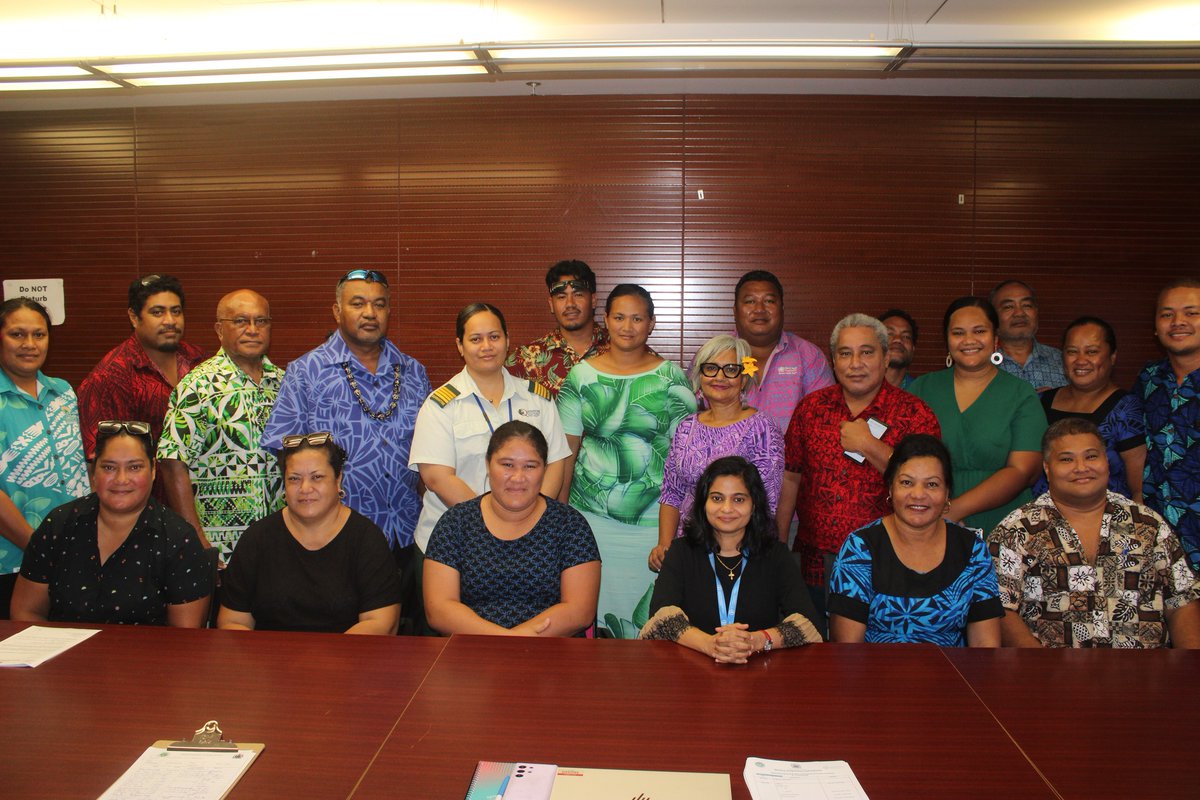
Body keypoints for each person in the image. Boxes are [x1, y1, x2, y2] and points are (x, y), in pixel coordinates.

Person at [261, 269, 430, 626]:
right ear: (337, 312)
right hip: (336, 541)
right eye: (358, 303)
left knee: (406, 653)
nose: (370, 312)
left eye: (379, 304)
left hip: (407, 533)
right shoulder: (306, 372)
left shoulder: (414, 372)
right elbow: (283, 450)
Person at [776, 314, 941, 618]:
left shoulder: (915, 414)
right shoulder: (811, 409)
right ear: (834, 361)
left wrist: (869, 445)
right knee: (815, 655)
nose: (855, 363)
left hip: (888, 562)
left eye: (866, 352)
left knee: (875, 659)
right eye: (845, 353)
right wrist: (778, 547)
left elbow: (926, 484)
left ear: (886, 357)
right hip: (815, 563)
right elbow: (790, 477)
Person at [558, 284, 696, 637]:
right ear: (606, 320)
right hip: (590, 519)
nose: (627, 326)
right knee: (593, 613)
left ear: (651, 323)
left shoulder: (672, 378)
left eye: (637, 318)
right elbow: (566, 453)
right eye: (619, 317)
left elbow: (686, 460)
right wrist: (557, 516)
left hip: (655, 524)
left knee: (651, 620)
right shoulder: (581, 376)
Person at [990, 418, 1200, 648]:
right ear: (1047, 469)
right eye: (1066, 459)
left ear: (1107, 463)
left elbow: (1182, 601)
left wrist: (1189, 673)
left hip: (1145, 676)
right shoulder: (1018, 529)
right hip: (1054, 676)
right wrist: (1038, 667)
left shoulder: (1148, 524)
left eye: (1091, 456)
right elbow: (999, 609)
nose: (1081, 467)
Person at [10, 420, 212, 626]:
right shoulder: (59, 525)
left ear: (152, 471)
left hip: (146, 656)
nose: (121, 479)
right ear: (94, 472)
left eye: (134, 467)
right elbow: (26, 612)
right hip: (64, 656)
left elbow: (184, 637)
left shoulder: (178, 539)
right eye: (109, 467)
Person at [410, 303, 570, 555]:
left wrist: (530, 519)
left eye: (494, 337)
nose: (486, 346)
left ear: (507, 341)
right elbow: (437, 477)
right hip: (457, 541)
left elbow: (556, 463)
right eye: (475, 339)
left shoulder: (537, 399)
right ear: (460, 346)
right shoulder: (440, 406)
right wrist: (490, 523)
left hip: (529, 539)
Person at [424, 422, 600, 636]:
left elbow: (580, 611)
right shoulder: (455, 523)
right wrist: (505, 640)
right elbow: (440, 610)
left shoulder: (570, 525)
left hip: (550, 650)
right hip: (471, 651)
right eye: (507, 465)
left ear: (544, 469)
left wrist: (520, 640)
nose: (518, 477)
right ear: (489, 465)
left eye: (530, 466)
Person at [641, 456, 822, 663]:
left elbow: (808, 623)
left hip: (759, 672)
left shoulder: (776, 554)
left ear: (754, 505)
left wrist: (756, 641)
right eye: (717, 498)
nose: (727, 509)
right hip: (691, 673)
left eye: (738, 499)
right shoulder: (681, 551)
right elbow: (661, 618)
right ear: (703, 503)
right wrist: (711, 645)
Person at [827, 434, 1003, 647]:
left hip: (951, 676)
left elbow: (986, 647)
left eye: (932, 484)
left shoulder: (972, 549)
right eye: (907, 482)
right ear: (891, 488)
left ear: (947, 492)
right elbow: (847, 650)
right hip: (875, 676)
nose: (918, 494)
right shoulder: (860, 548)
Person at [218, 432, 401, 634]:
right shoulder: (257, 539)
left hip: (347, 660)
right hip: (270, 660)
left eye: (317, 477)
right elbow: (232, 622)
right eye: (294, 479)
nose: (305, 488)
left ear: (338, 479)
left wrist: (324, 662)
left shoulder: (367, 539)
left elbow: (381, 623)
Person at [158, 290, 285, 560]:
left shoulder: (285, 385)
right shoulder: (198, 386)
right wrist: (197, 542)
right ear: (219, 329)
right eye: (240, 321)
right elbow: (172, 463)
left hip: (282, 544)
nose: (252, 330)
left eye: (261, 321)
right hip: (221, 547)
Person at [910, 297, 1046, 534]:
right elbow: (903, 460)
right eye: (958, 333)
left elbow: (1023, 471)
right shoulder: (922, 388)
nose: (969, 340)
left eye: (979, 331)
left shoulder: (1020, 393)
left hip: (1005, 525)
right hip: (928, 520)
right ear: (948, 341)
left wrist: (952, 510)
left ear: (995, 339)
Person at [651, 335, 784, 571]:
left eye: (731, 369)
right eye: (711, 368)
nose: (719, 377)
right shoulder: (686, 427)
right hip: (687, 550)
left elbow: (766, 503)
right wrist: (664, 544)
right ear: (700, 376)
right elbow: (672, 492)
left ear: (743, 379)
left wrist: (734, 554)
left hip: (740, 555)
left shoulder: (762, 428)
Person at [77, 274, 206, 500]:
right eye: (157, 312)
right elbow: (104, 464)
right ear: (134, 317)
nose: (170, 320)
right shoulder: (111, 377)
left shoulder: (199, 362)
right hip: (145, 513)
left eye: (176, 311)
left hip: (206, 505)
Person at [0, 298, 90, 611]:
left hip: (72, 557)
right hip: (12, 563)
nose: (30, 344)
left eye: (39, 334)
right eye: (17, 334)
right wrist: (39, 549)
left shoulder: (64, 391)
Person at [1032, 316, 1145, 501]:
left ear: (1112, 356)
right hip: (1042, 520)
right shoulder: (1040, 401)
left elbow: (1139, 489)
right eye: (1072, 351)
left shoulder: (1127, 408)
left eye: (1092, 352)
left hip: (1106, 521)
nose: (1081, 360)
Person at [1135, 277, 1200, 571]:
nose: (1178, 322)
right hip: (1159, 533)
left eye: (1192, 312)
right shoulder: (1148, 379)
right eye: (1167, 314)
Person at [733, 270, 834, 435]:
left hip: (791, 459)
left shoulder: (809, 356)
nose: (759, 309)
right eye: (750, 301)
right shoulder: (714, 357)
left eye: (769, 301)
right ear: (735, 311)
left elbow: (825, 422)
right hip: (726, 459)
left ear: (782, 308)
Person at [506, 259, 610, 398]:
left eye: (578, 295)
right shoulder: (525, 358)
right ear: (551, 304)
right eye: (561, 297)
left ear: (593, 300)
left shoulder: (620, 349)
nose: (570, 304)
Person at [989, 279, 1067, 391]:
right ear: (993, 316)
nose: (1019, 313)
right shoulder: (981, 363)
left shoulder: (1063, 361)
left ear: (1036, 311)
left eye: (1027, 305)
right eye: (1008, 307)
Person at [878, 308, 918, 389]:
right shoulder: (858, 389)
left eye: (906, 336)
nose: (898, 339)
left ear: (913, 349)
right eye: (889, 334)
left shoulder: (920, 391)